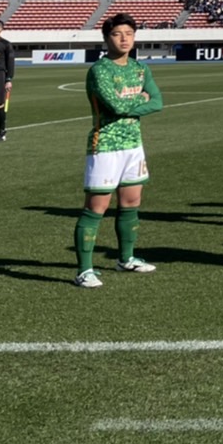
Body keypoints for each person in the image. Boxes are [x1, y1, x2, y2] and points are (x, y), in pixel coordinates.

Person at [72, 14, 163, 288]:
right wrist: (141, 97)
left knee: (131, 202)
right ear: (106, 38)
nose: (124, 39)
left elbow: (158, 102)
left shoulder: (140, 69)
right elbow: (116, 107)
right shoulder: (100, 70)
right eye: (117, 34)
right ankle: (84, 271)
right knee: (96, 207)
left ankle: (126, 258)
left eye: (129, 33)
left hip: (133, 144)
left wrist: (140, 101)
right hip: (106, 145)